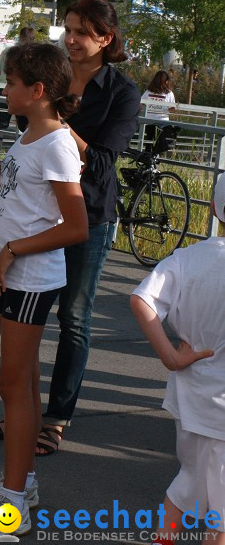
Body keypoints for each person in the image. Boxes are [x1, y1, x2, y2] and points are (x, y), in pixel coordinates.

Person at [0, 43, 87, 541]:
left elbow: (76, 225)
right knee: (24, 383)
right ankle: (22, 483)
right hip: (12, 275)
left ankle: (12, 505)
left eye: (11, 83)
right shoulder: (31, 135)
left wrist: (13, 249)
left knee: (12, 385)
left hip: (30, 279)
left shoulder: (56, 143)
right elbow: (11, 191)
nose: (4, 89)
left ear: (38, 91)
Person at [31, 0, 140, 456]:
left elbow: (100, 164)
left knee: (73, 317)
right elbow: (28, 131)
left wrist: (55, 122)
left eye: (81, 32)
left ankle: (56, 418)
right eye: (68, 29)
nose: (70, 39)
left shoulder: (122, 92)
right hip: (37, 209)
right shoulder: (51, 75)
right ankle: (21, 410)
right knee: (29, 313)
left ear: (105, 39)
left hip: (90, 217)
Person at [130, 172, 224, 545]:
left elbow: (141, 299)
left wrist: (170, 356)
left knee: (187, 482)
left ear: (215, 208)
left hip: (190, 400)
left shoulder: (187, 259)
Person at [141, 70, 177, 146]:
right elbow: (173, 108)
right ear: (166, 81)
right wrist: (165, 110)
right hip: (162, 121)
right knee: (159, 144)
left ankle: (147, 156)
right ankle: (155, 156)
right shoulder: (169, 93)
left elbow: (141, 104)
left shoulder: (148, 92)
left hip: (149, 120)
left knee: (149, 142)